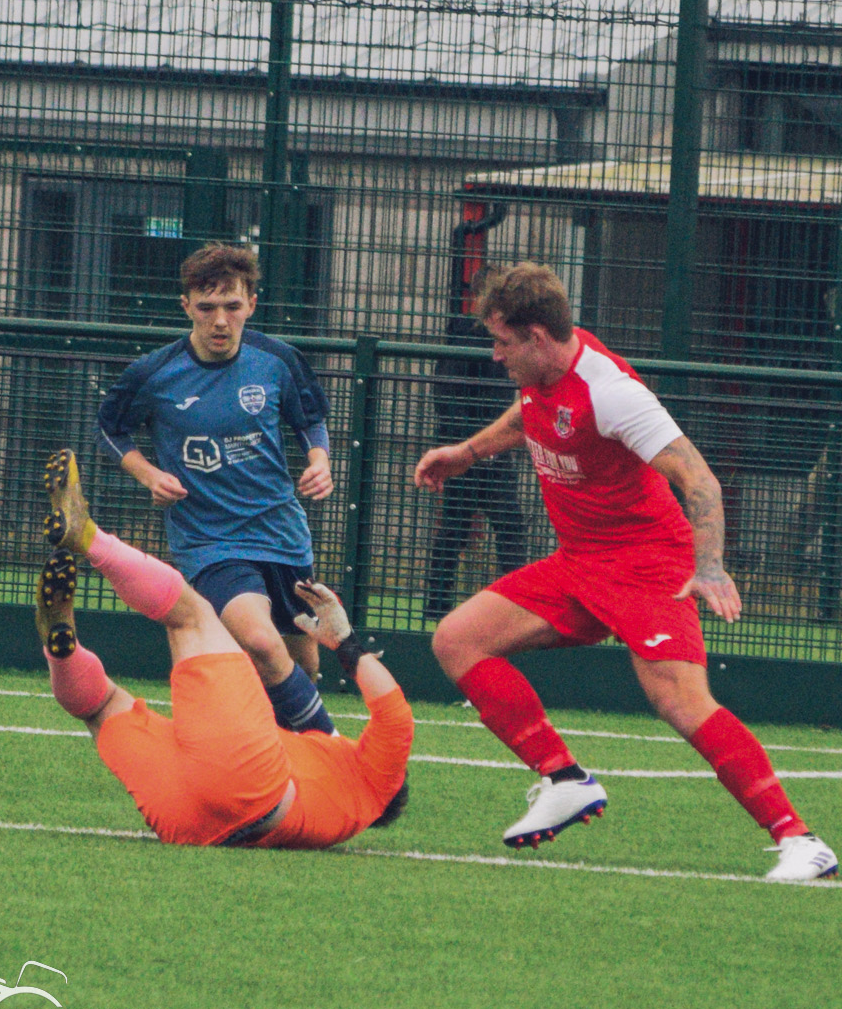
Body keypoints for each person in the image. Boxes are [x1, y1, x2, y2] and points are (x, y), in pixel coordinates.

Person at [412, 262, 840, 882]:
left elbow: (699, 478)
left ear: (536, 337)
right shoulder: (540, 374)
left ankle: (801, 840)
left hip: (646, 565)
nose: (494, 354)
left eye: (502, 341)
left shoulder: (610, 391)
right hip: (578, 561)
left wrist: (711, 565)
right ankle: (564, 779)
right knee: (456, 639)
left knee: (681, 703)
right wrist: (468, 452)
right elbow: (526, 413)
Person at [36, 449, 410, 849]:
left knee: (192, 616)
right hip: (191, 824)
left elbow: (396, 715)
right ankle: (61, 653)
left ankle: (88, 536)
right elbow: (309, 716)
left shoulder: (376, 780)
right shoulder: (339, 796)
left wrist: (344, 642)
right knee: (100, 707)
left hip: (251, 786)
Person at [95, 243, 338, 734]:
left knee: (302, 667)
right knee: (261, 643)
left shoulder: (277, 360)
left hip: (283, 535)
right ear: (186, 306)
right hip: (210, 543)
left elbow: (309, 420)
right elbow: (108, 429)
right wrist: (148, 474)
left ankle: (265, 759)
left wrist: (320, 460)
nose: (220, 321)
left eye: (232, 306)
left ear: (252, 303)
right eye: (206, 308)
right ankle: (331, 745)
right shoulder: (154, 373)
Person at [424, 275, 534, 620]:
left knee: (507, 524)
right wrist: (468, 445)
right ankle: (436, 607)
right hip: (469, 449)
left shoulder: (508, 337)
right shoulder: (465, 332)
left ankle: (514, 605)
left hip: (492, 449)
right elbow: (446, 392)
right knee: (457, 527)